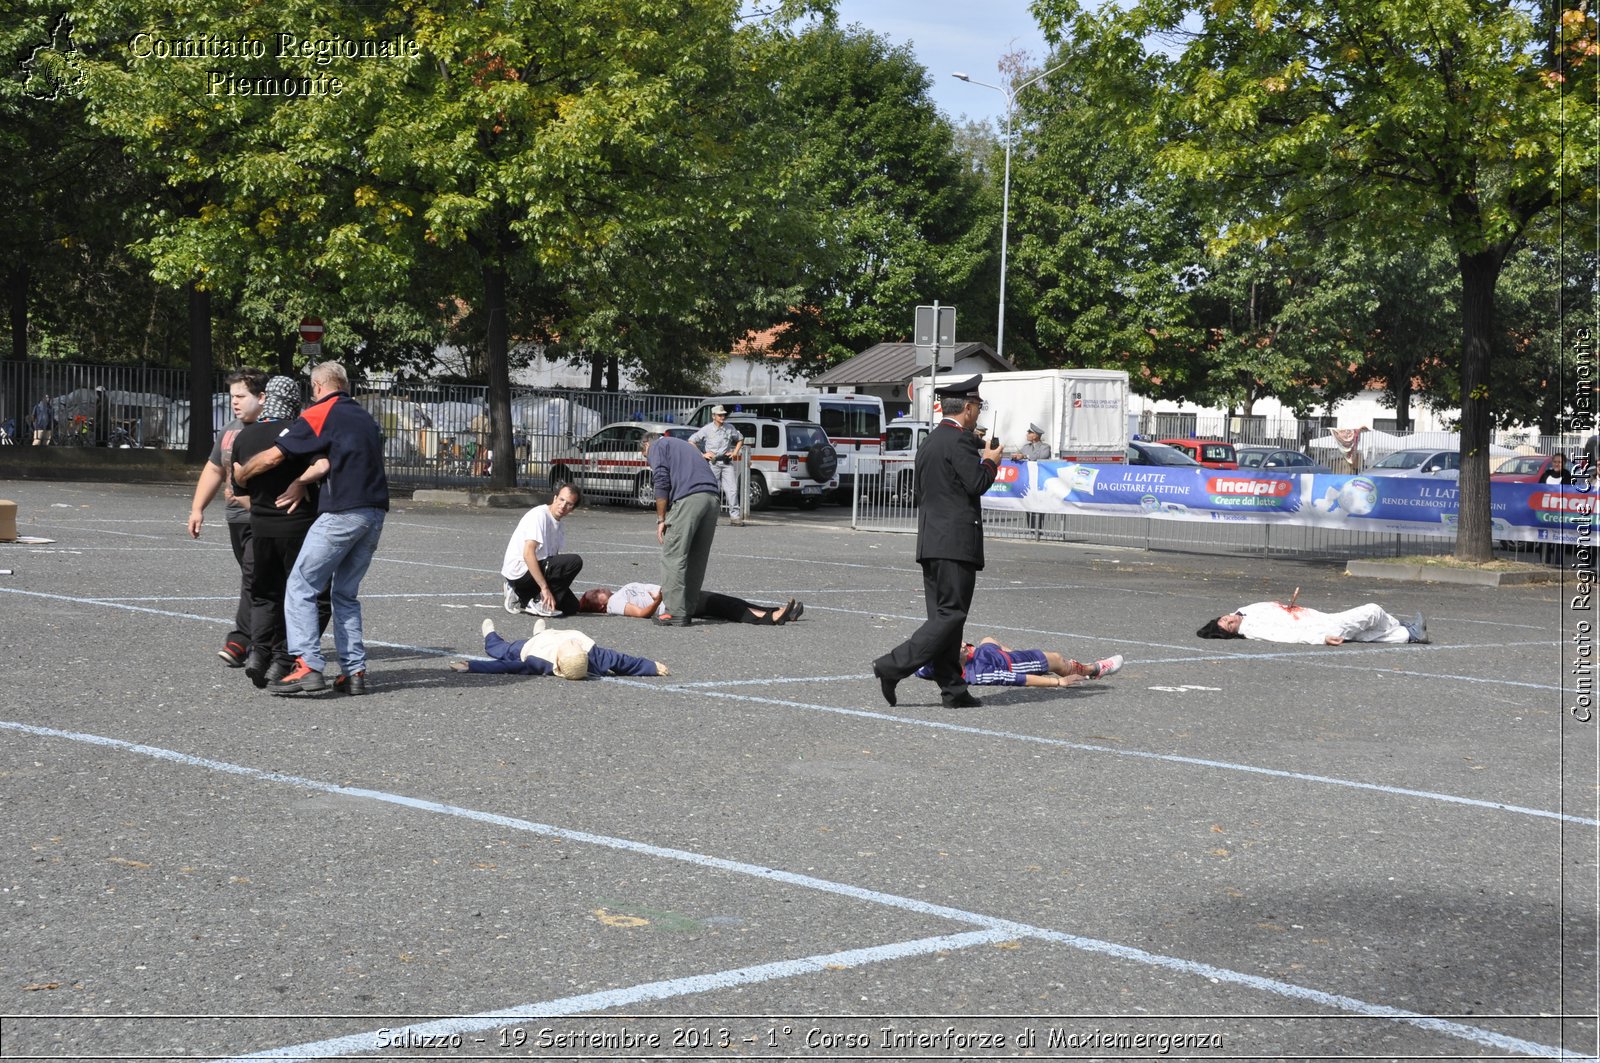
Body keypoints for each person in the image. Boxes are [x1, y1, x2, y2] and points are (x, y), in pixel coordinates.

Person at [233, 360, 389, 695]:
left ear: (317, 387)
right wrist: (303, 480)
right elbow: (331, 460)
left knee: (301, 585)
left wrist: (242, 474)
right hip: (374, 513)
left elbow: (274, 456)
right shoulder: (363, 416)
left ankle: (306, 666)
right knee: (345, 594)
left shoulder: (322, 412)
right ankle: (354, 672)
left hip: (342, 512)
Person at [872, 375, 1002, 709]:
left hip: (932, 540)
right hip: (955, 542)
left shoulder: (931, 441)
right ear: (969, 408)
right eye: (978, 406)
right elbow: (975, 483)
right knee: (951, 616)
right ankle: (892, 665)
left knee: (944, 618)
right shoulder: (957, 442)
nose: (978, 412)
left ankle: (953, 690)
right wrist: (991, 462)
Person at [231, 376, 333, 689]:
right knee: (311, 597)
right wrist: (300, 484)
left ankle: (258, 655)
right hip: (298, 526)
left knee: (264, 595)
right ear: (293, 401)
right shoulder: (300, 433)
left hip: (260, 526)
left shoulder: (243, 437)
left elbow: (238, 487)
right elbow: (323, 465)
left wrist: (263, 511)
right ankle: (285, 659)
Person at [187, 368, 269, 668]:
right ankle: (273, 639)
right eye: (232, 396)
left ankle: (240, 640)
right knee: (259, 581)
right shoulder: (228, 430)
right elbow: (214, 469)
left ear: (262, 398)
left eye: (241, 396)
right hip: (236, 519)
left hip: (263, 520)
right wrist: (198, 509)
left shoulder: (273, 429)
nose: (234, 402)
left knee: (253, 577)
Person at [641, 430, 722, 626]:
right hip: (712, 498)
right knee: (696, 557)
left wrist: (661, 519)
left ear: (646, 445)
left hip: (690, 499)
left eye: (646, 457)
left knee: (673, 555)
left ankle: (675, 612)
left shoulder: (657, 446)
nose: (648, 460)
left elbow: (661, 480)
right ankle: (688, 607)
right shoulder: (684, 445)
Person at [449, 618, 669, 678]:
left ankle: (489, 635)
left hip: (535, 645)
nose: (573, 644)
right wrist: (652, 666)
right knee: (543, 633)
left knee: (502, 649)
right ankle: (540, 631)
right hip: (551, 635)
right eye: (575, 647)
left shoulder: (539, 660)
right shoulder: (593, 654)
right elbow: (624, 662)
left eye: (570, 648)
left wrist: (472, 666)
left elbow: (508, 667)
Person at [1197, 595, 1428, 645]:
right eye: (1228, 625)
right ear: (1232, 632)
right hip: (1322, 626)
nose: (1229, 619)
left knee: (1363, 634)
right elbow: (1286, 636)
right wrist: (1321, 638)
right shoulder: (1252, 628)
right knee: (1372, 610)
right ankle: (1405, 627)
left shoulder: (1243, 612)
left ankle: (1409, 635)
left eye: (1223, 618)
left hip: (1320, 618)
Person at [916, 636, 1123, 689]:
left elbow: (919, 668)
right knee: (1057, 660)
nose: (962, 643)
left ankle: (1012, 652)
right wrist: (1057, 683)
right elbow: (1018, 679)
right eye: (957, 645)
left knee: (988, 639)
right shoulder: (979, 673)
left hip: (985, 653)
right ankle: (1093, 669)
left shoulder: (932, 666)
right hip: (1012, 663)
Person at [500, 485, 583, 617]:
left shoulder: (559, 526)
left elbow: (552, 561)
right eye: (561, 500)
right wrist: (544, 588)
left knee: (571, 607)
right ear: (555, 498)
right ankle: (533, 598)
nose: (562, 506)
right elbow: (528, 554)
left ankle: (525, 597)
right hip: (520, 571)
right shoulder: (540, 515)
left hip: (537, 568)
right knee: (575, 561)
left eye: (569, 504)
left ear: (572, 509)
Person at [578, 583, 802, 625]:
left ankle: (780, 613)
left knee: (728, 602)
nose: (599, 590)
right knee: (723, 605)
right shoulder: (614, 604)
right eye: (595, 594)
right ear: (599, 606)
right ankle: (770, 618)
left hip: (676, 594)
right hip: (673, 602)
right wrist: (658, 600)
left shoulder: (616, 594)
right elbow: (640, 614)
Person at [688, 405, 745, 526]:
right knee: (713, 491)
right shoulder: (707, 429)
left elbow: (740, 439)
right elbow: (691, 440)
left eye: (724, 414)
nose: (722, 417)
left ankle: (735, 517)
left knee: (732, 490)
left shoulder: (730, 428)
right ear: (713, 416)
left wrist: (735, 452)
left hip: (726, 462)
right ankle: (710, 517)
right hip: (713, 463)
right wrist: (702, 454)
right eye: (720, 415)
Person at [1012, 423, 1051, 538]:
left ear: (1035, 435)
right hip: (1027, 481)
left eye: (1030, 433)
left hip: (1039, 481)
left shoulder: (1045, 447)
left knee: (1039, 506)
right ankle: (1031, 530)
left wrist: (1025, 457)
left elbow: (1042, 456)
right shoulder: (1026, 447)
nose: (1027, 434)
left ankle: (1038, 530)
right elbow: (1020, 455)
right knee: (1029, 505)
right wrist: (1016, 456)